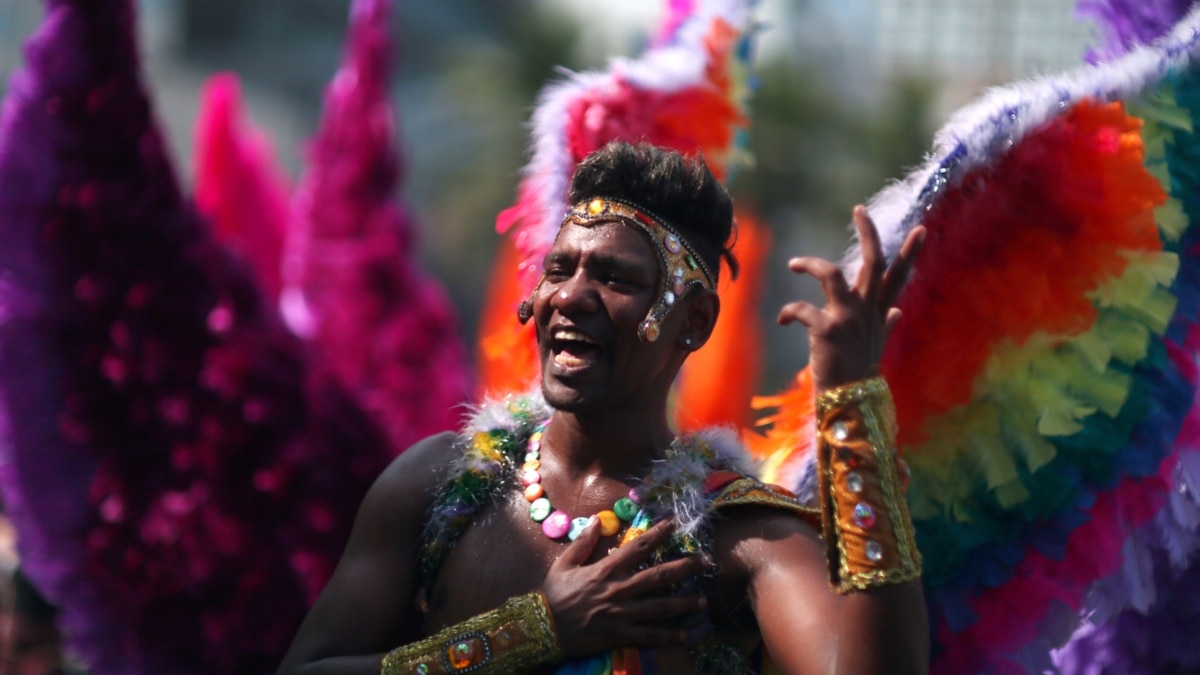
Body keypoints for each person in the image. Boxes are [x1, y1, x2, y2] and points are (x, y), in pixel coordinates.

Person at [277, 141, 929, 674]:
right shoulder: (437, 485)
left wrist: (852, 407)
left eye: (615, 278)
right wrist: (534, 630)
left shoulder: (743, 537)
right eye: (560, 269)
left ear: (694, 321)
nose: (571, 296)